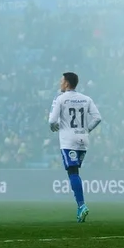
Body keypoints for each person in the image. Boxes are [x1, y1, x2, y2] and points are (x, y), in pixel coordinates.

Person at [49, 71, 101, 222]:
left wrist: (55, 126)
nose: (60, 83)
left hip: (68, 140)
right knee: (75, 171)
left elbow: (52, 120)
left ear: (66, 83)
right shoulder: (86, 99)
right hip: (83, 140)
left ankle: (81, 205)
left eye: (61, 81)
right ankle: (80, 207)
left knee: (73, 173)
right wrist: (87, 129)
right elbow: (98, 118)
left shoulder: (60, 98)